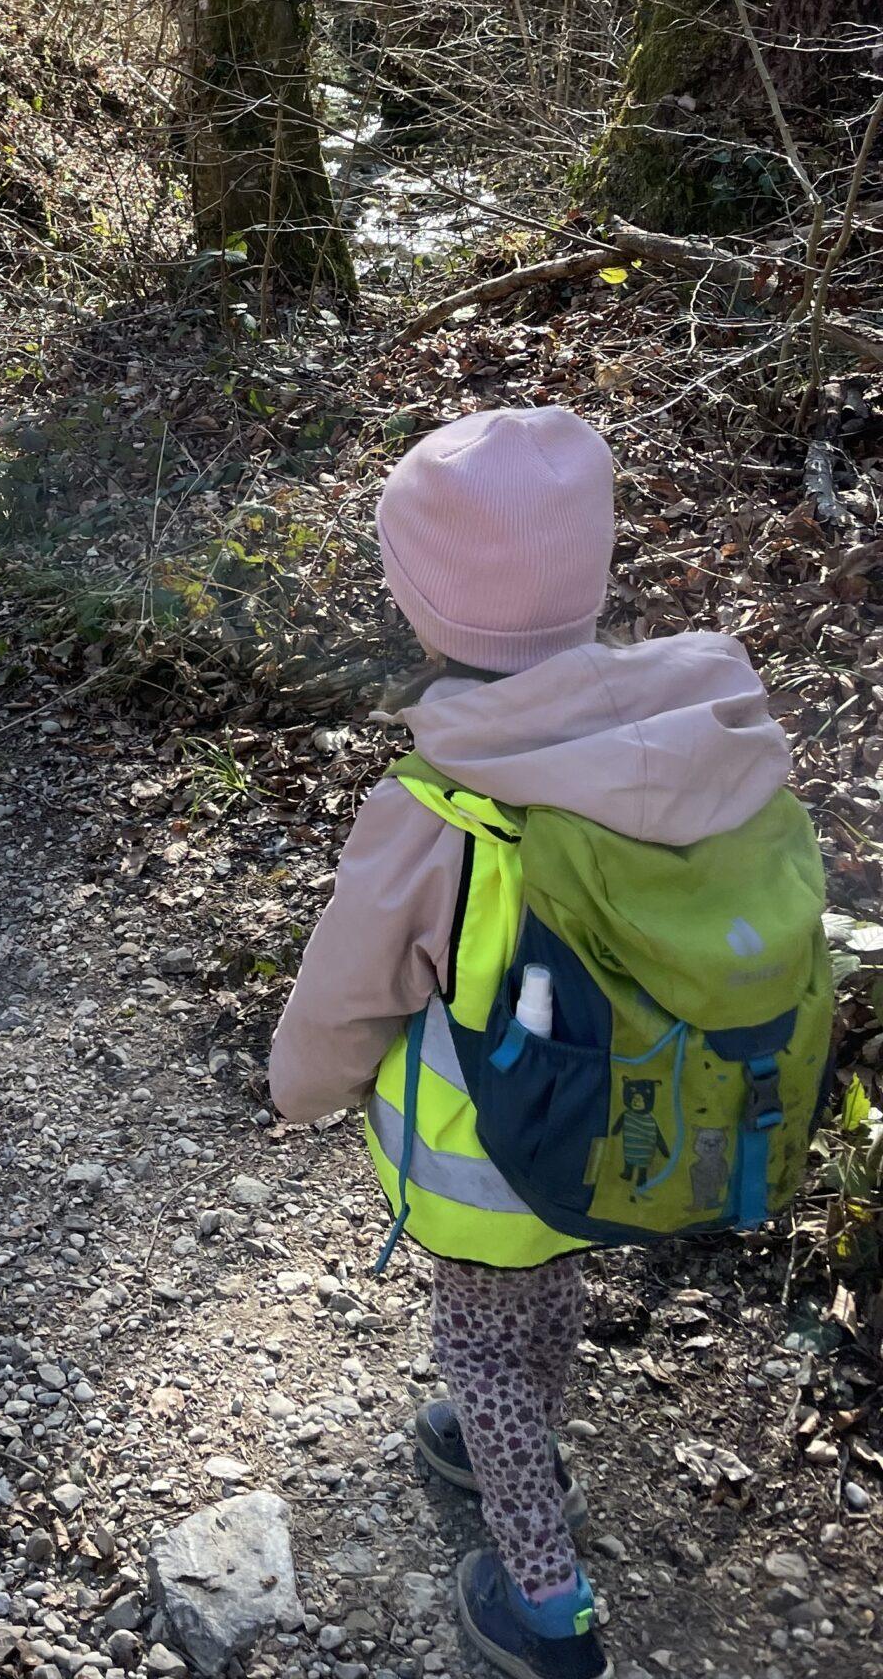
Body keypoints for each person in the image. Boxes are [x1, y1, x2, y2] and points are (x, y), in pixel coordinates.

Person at [268, 407, 826, 1679]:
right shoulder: (711, 751)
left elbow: (349, 988)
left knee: (480, 1343)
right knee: (549, 1303)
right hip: (631, 1135)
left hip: (495, 1162)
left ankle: (547, 1602)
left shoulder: (439, 811)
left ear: (423, 610)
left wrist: (299, 1088)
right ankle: (507, 1439)